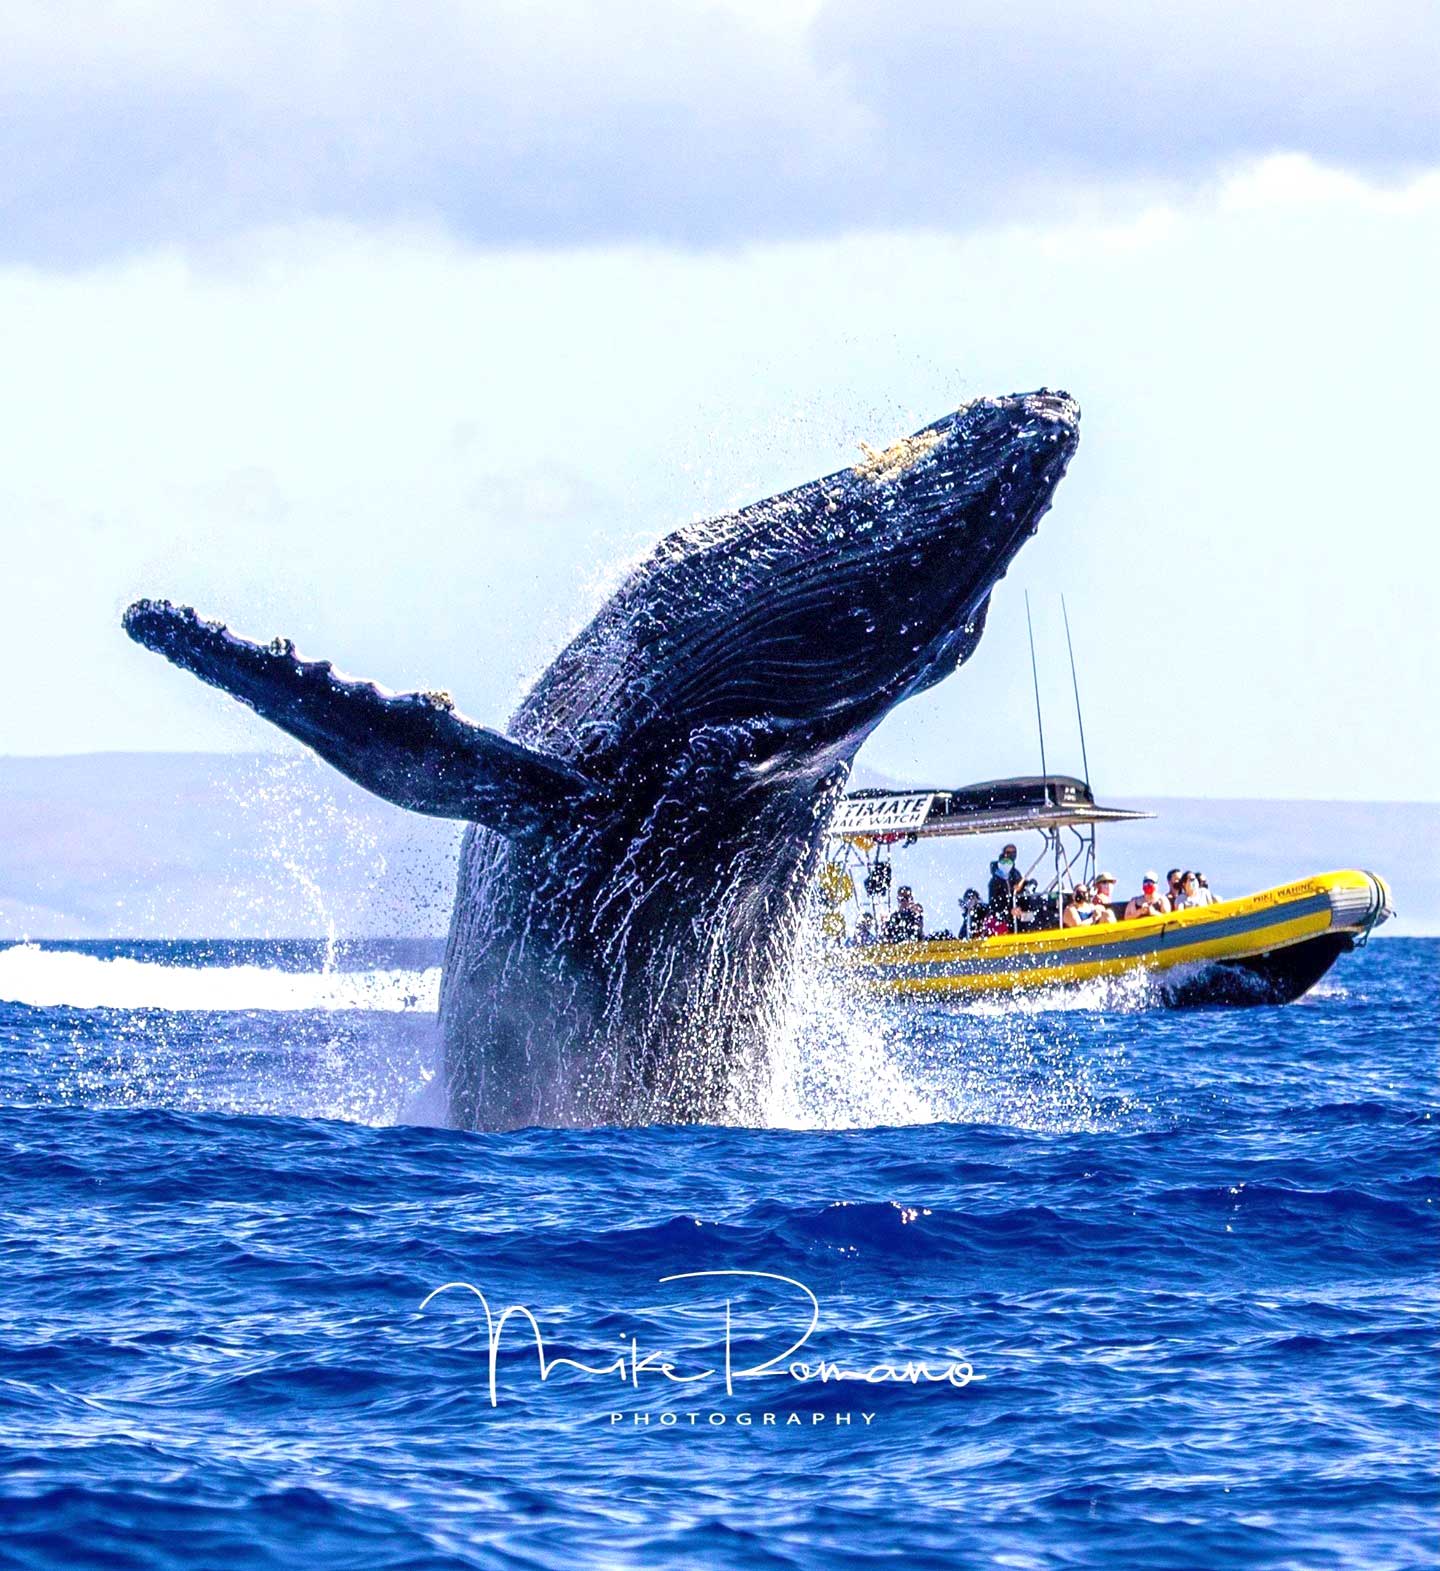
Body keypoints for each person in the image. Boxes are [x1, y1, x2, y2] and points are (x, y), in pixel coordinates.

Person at [987, 843, 1023, 928]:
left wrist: (1024, 886)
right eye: (1008, 852)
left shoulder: (1015, 874)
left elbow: (1021, 891)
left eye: (1014, 853)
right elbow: (995, 904)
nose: (1011, 855)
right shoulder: (995, 881)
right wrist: (1009, 911)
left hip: (1016, 916)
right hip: (1003, 920)